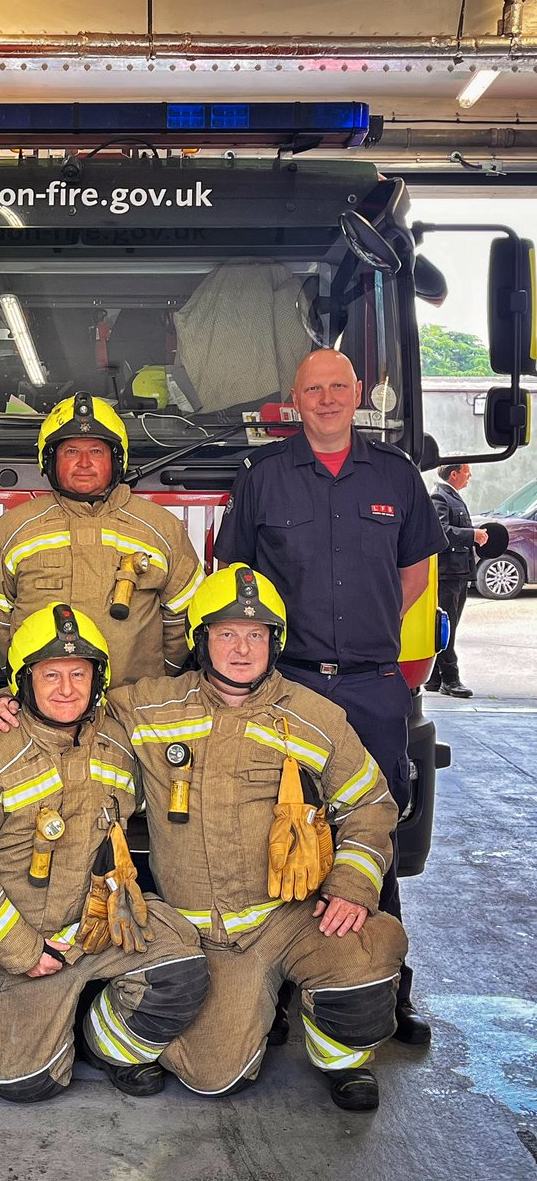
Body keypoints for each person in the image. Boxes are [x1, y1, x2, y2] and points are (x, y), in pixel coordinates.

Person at [0, 566, 407, 1111]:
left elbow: (371, 803)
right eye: (225, 633)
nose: (241, 648)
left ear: (275, 643)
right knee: (214, 1077)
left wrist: (352, 883)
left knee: (366, 957)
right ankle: (109, 1042)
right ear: (201, 640)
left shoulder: (316, 717)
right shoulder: (150, 706)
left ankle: (342, 1059)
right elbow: (66, 691)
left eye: (256, 635)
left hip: (296, 916)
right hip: (208, 937)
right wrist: (5, 699)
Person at [212, 348, 446, 1046]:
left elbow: (412, 573)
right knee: (280, 832)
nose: (326, 399)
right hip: (291, 683)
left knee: (373, 832)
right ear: (295, 399)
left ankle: (387, 995)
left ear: (357, 395)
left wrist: (365, 636)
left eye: (337, 387)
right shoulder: (263, 477)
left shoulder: (398, 476)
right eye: (313, 389)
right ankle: (284, 995)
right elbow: (236, 580)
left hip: (374, 686)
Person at [0, 604, 209, 1102]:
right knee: (23, 1085)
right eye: (50, 675)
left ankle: (106, 1046)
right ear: (24, 682)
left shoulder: (119, 736)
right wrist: (22, 952)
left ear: (98, 679)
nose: (66, 688)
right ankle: (37, 1013)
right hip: (32, 948)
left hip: (106, 925)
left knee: (183, 974)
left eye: (78, 674)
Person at [0, 392, 204, 685]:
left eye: (96, 451)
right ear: (50, 460)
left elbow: (186, 614)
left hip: (134, 708)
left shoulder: (162, 528)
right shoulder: (13, 529)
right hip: (44, 709)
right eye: (71, 451)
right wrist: (31, 684)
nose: (84, 463)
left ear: (116, 459)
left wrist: (155, 678)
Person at [426, 464, 488, 698]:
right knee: (446, 627)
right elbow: (441, 530)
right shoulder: (439, 497)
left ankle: (435, 677)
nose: (469, 475)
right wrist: (472, 534)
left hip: (458, 572)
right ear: (454, 474)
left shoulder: (452, 497)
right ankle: (450, 679)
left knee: (450, 625)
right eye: (466, 471)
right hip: (448, 572)